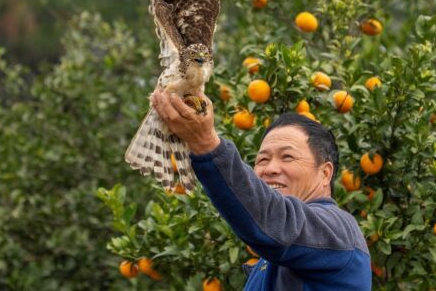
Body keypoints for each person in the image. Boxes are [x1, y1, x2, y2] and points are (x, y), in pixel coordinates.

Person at [150, 90, 372, 290]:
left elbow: (276, 222)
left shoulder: (337, 230)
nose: (271, 169)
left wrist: (206, 144)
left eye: (288, 156)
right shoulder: (270, 260)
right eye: (262, 159)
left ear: (325, 173)